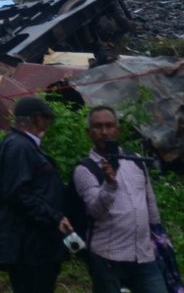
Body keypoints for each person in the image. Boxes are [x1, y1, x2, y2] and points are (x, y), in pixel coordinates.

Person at [73, 106, 165, 293]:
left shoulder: (135, 160)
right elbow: (95, 211)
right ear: (88, 132)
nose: (104, 132)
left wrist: (160, 236)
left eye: (109, 126)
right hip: (108, 257)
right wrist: (109, 184)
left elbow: (149, 200)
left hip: (144, 255)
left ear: (118, 129)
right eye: (98, 127)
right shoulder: (85, 169)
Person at [0, 96, 73, 293]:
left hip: (34, 245)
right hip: (29, 247)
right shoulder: (20, 147)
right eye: (46, 119)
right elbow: (18, 193)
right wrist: (53, 216)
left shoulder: (21, 145)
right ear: (37, 119)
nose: (48, 124)